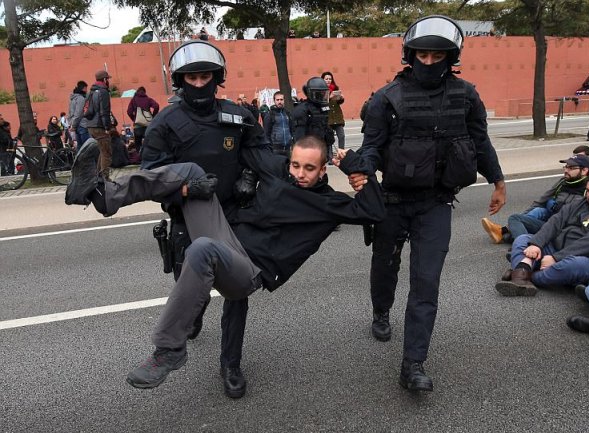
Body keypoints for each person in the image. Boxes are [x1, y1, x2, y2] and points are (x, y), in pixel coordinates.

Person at [64, 135, 386, 393]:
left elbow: (373, 211)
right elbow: (245, 140)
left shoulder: (328, 204)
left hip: (249, 271)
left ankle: (169, 349)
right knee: (191, 171)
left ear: (322, 170)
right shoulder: (277, 172)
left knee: (202, 250)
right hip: (227, 236)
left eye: (309, 168)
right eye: (295, 165)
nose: (299, 174)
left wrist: (357, 167)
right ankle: (104, 195)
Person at [347, 15, 506, 392]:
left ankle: (413, 364)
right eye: (423, 54)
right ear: (410, 54)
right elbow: (371, 147)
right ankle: (381, 309)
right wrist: (363, 173)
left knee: (426, 282)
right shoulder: (386, 98)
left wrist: (497, 181)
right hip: (392, 199)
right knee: (385, 264)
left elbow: (480, 142)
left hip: (436, 202)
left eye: (438, 55)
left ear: (451, 57)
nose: (429, 62)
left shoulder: (466, 95)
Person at [139, 40, 265, 399]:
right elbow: (150, 176)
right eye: (191, 77)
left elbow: (263, 154)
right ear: (180, 80)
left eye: (205, 75)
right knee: (190, 284)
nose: (198, 83)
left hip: (233, 215)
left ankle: (231, 363)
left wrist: (250, 177)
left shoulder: (239, 116)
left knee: (236, 293)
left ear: (217, 77)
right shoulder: (164, 123)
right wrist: (182, 191)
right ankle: (193, 317)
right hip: (186, 217)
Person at [496, 170, 589, 297]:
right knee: (523, 239)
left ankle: (524, 274)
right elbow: (555, 222)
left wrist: (556, 258)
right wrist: (536, 244)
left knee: (574, 265)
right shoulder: (582, 202)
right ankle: (523, 276)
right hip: (558, 248)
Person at [481, 154, 589, 244]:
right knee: (520, 217)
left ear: (584, 170)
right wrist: (522, 219)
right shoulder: (563, 182)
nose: (566, 170)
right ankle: (517, 238)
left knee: (517, 231)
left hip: (563, 229)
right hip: (550, 221)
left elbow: (587, 218)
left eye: (571, 168)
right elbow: (540, 201)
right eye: (566, 167)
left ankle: (513, 239)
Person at [83, 70, 117, 180]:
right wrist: (107, 127)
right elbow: (104, 111)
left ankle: (98, 177)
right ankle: (104, 178)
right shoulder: (103, 91)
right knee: (107, 152)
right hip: (99, 126)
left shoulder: (91, 92)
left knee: (102, 152)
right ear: (104, 79)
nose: (108, 81)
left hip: (91, 126)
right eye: (108, 79)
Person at [293, 77, 335, 162]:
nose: (322, 96)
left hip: (321, 150)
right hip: (308, 153)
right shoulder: (302, 110)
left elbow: (325, 129)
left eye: (324, 93)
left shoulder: (322, 108)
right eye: (319, 94)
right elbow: (299, 137)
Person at [127, 86, 159, 156]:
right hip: (148, 124)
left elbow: (129, 112)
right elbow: (156, 106)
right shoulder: (148, 99)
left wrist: (134, 119)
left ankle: (140, 158)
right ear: (144, 92)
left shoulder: (133, 100)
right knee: (150, 142)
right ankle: (151, 156)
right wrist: (153, 116)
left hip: (138, 126)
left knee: (138, 143)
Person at [262, 91, 294, 156]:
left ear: (284, 100)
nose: (279, 102)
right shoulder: (270, 115)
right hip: (275, 149)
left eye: (281, 99)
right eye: (277, 100)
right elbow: (266, 133)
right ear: (274, 101)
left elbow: (292, 129)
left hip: (287, 148)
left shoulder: (288, 114)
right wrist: (269, 147)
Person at [322, 71, 345, 151]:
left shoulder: (335, 89)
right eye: (326, 79)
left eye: (330, 79)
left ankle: (341, 153)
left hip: (337, 117)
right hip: (327, 118)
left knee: (341, 136)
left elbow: (339, 103)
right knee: (329, 138)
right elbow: (321, 104)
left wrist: (341, 98)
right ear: (323, 80)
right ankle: (330, 156)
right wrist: (329, 97)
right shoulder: (320, 90)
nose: (328, 80)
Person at [68, 81, 90, 149]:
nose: (87, 90)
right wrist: (73, 126)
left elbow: (70, 113)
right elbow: (78, 113)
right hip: (82, 125)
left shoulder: (73, 98)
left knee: (80, 147)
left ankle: (80, 160)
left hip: (76, 125)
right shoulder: (80, 98)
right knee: (87, 148)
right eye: (86, 88)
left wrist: (72, 124)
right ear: (83, 88)